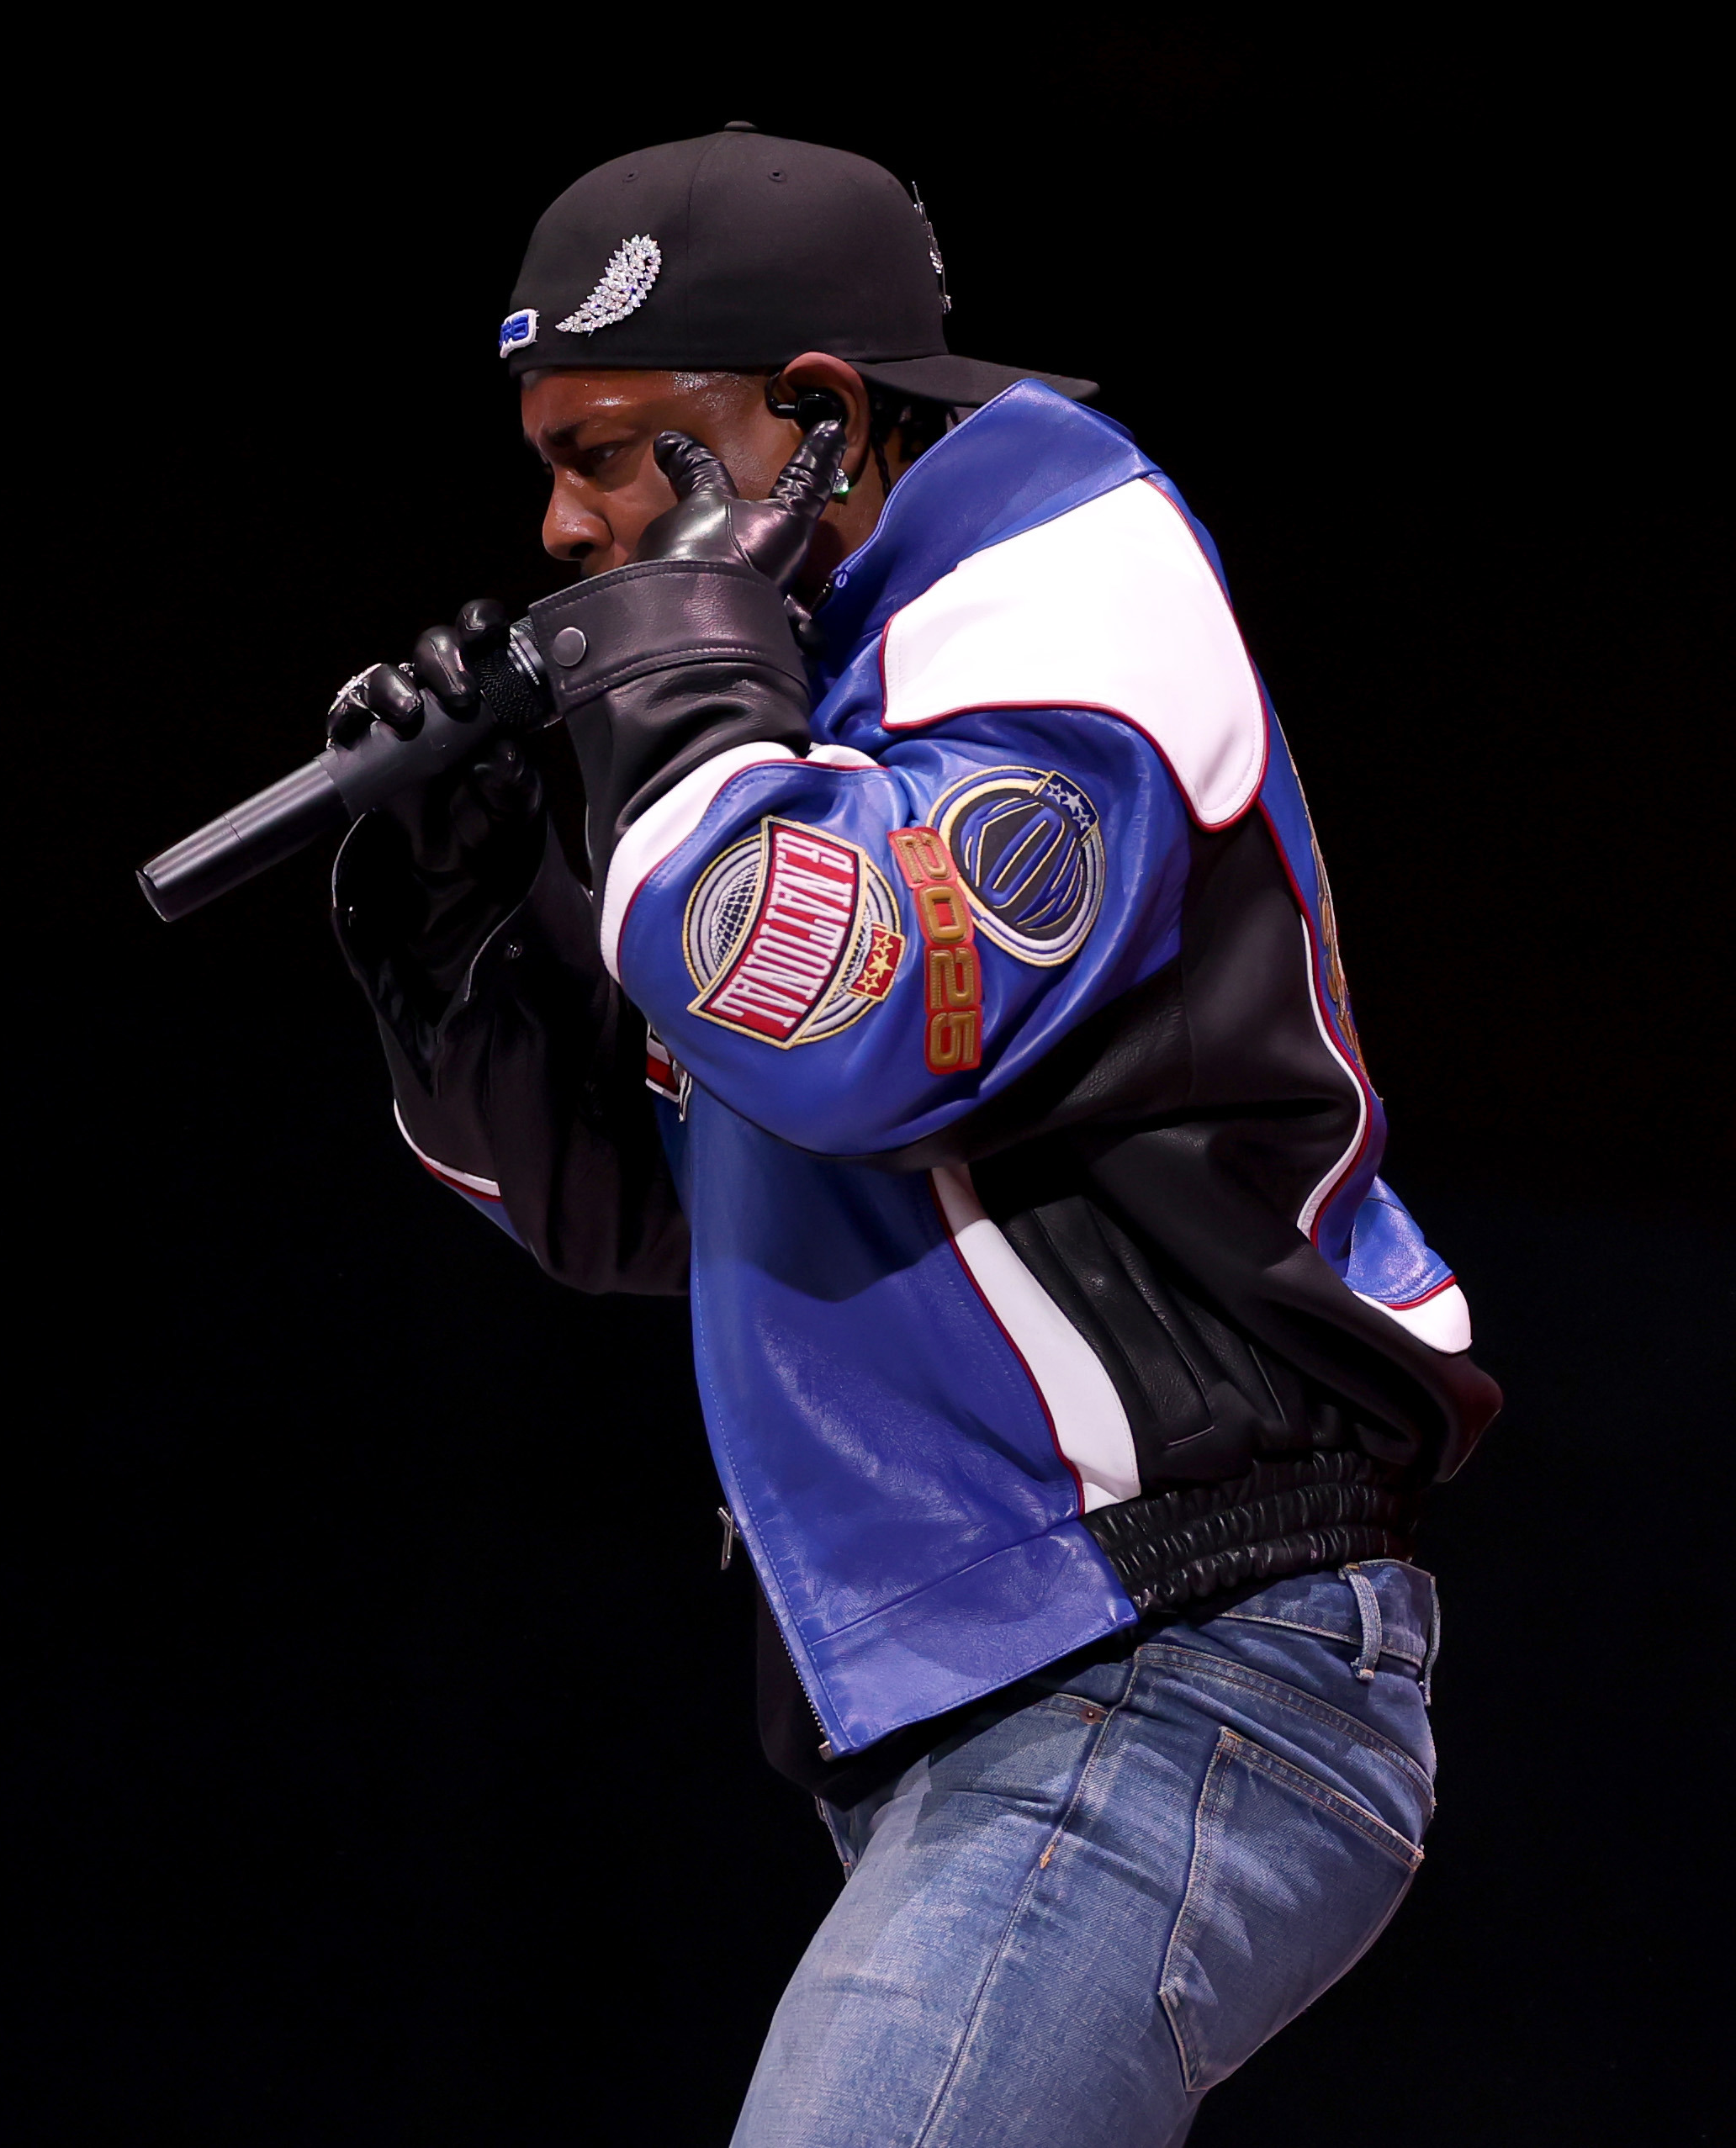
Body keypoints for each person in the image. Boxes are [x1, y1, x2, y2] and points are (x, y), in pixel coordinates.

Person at [325, 127, 1501, 2145]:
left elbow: (855, 1011)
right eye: (549, 451)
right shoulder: (806, 690)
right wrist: (452, 923)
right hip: (976, 1701)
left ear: (812, 418)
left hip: (1175, 1649)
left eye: (615, 449)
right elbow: (626, 1201)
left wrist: (685, 726)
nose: (556, 519)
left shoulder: (1056, 572)